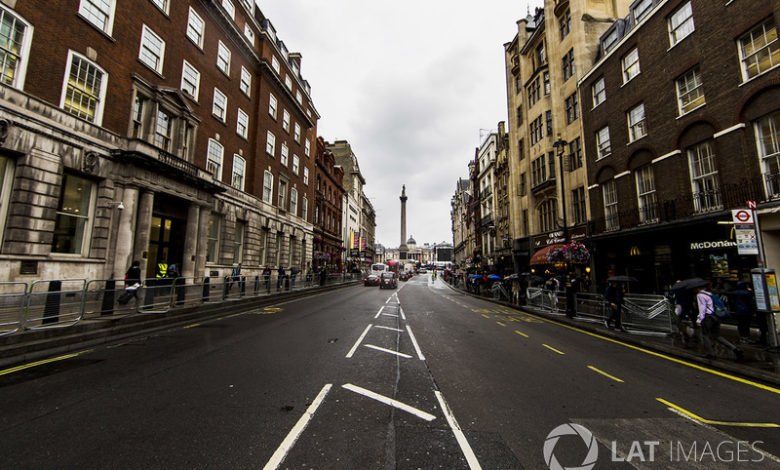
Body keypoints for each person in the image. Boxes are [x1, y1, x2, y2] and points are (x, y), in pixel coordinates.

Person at [696, 285, 743, 360]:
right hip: (716, 317)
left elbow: (702, 308)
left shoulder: (700, 295)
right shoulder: (711, 294)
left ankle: (711, 353)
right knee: (716, 336)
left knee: (705, 335)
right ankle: (735, 349)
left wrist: (699, 319)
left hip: (708, 317)